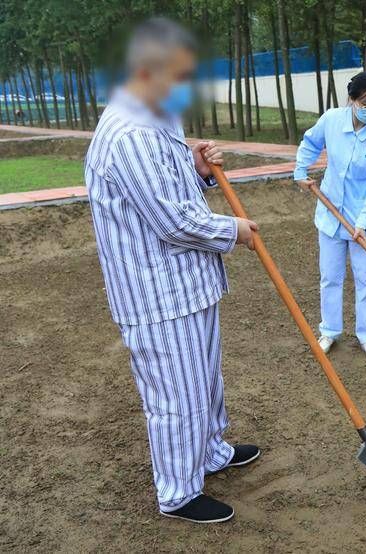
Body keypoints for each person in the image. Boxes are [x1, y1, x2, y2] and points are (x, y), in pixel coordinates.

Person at [83, 18, 259, 524]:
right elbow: (171, 222)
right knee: (175, 394)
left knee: (202, 380)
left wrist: (198, 172)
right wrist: (235, 231)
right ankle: (178, 492)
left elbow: (172, 192)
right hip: (155, 291)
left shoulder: (157, 116)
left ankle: (209, 454)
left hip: (188, 284)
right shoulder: (131, 133)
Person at [294, 71, 366, 360]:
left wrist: (362, 223)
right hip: (330, 214)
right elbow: (311, 142)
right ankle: (330, 331)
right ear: (352, 100)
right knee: (330, 277)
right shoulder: (331, 120)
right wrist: (301, 170)